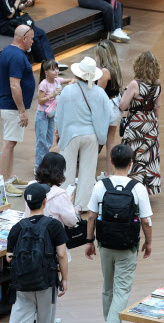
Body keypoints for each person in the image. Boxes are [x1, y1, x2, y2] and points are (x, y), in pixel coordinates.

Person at [85, 145, 153, 323]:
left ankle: (109, 319)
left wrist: (89, 241)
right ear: (131, 163)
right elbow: (146, 221)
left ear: (111, 161)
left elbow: (91, 216)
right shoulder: (138, 188)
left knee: (108, 288)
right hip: (128, 246)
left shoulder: (101, 185)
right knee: (122, 290)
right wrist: (148, 242)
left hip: (105, 244)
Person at [56, 57, 114, 211]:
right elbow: (109, 115)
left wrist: (59, 132)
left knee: (66, 171)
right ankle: (82, 206)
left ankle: (64, 205)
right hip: (91, 135)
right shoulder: (100, 93)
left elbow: (59, 114)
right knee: (87, 172)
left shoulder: (68, 90)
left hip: (70, 135)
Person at [7, 182, 69, 323]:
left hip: (22, 282)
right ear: (44, 202)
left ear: (26, 203)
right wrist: (64, 279)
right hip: (47, 281)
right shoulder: (55, 225)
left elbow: (9, 258)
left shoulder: (17, 228)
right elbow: (61, 254)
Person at [0, 0, 65, 69]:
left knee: (41, 32)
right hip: (4, 25)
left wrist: (25, 5)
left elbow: (16, 9)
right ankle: (48, 65)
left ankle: (50, 62)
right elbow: (9, 14)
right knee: (32, 34)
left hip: (14, 21)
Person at [0, 25, 35, 196]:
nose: (32, 41)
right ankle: (3, 182)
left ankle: (9, 177)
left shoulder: (7, 50)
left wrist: (3, 89)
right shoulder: (17, 56)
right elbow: (14, 85)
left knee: (11, 142)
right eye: (31, 38)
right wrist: (22, 111)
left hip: (9, 104)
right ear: (24, 38)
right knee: (8, 144)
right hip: (13, 107)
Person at [120, 51, 162, 195]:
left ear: (137, 65)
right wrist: (152, 122)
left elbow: (123, 106)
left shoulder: (134, 84)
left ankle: (131, 189)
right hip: (151, 123)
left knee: (133, 156)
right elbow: (157, 107)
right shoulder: (157, 84)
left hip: (136, 124)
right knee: (149, 157)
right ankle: (145, 190)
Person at [35, 60, 75, 173]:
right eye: (53, 69)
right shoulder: (43, 84)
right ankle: (38, 168)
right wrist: (52, 95)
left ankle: (44, 165)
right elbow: (40, 101)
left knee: (48, 140)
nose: (56, 71)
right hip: (42, 114)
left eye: (57, 69)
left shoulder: (57, 80)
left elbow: (71, 80)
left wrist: (72, 81)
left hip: (51, 115)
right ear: (46, 72)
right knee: (41, 141)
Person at [23, 153, 79, 228]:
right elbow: (71, 221)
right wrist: (69, 201)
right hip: (51, 233)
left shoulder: (31, 186)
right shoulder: (60, 195)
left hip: (28, 229)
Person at [95, 39, 124, 175]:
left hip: (107, 109)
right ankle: (109, 173)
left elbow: (97, 93)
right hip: (115, 107)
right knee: (110, 142)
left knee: (96, 140)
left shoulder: (104, 71)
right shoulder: (115, 68)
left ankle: (95, 173)